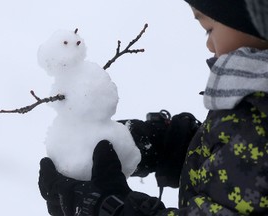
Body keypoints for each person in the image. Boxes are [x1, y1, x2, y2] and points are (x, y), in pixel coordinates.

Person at [38, 0, 268, 215]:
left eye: (209, 29)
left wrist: (112, 208)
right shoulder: (254, 98)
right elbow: (235, 158)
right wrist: (170, 145)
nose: (208, 45)